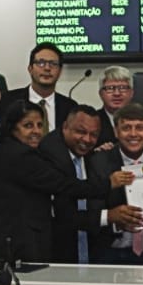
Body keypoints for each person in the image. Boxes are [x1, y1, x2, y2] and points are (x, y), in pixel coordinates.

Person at [0, 101, 110, 263]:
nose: (36, 131)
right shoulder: (20, 155)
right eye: (28, 126)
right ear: (12, 127)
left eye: (39, 125)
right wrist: (109, 184)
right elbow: (64, 185)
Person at [85, 103, 143, 265]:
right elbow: (93, 210)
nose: (133, 134)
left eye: (140, 128)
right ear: (116, 132)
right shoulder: (99, 162)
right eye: (126, 128)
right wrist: (116, 222)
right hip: (112, 251)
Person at [38, 105, 117, 263]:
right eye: (81, 132)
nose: (87, 139)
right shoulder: (51, 155)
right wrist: (108, 216)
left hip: (91, 252)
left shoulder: (92, 156)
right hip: (56, 255)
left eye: (94, 134)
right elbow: (63, 214)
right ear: (65, 127)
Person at [0, 42, 77, 134]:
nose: (47, 68)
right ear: (30, 69)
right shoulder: (7, 102)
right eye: (41, 63)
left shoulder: (70, 108)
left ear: (60, 71)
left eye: (53, 64)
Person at [95, 65, 134, 148]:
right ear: (101, 94)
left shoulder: (142, 120)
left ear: (131, 93)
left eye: (122, 88)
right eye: (110, 88)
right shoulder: (92, 121)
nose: (117, 93)